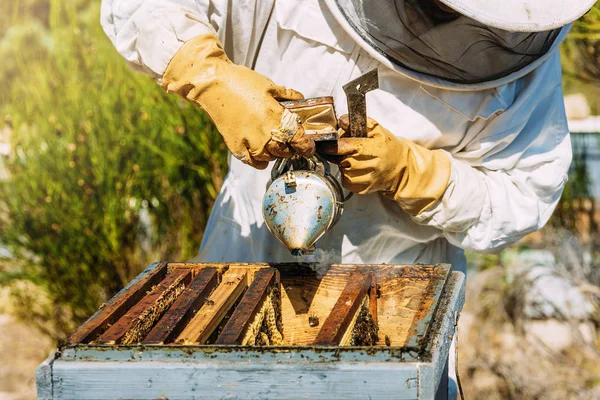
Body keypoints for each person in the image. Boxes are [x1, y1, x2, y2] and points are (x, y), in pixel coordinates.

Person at [100, 0, 593, 396]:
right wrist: (207, 72)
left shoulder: (524, 62)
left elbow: (524, 192)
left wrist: (415, 172)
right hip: (246, 252)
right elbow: (140, 7)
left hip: (399, 290)